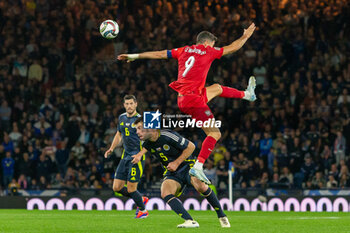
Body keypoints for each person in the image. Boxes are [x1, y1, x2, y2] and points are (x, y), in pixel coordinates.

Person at [118, 23, 257, 185]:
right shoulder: (208, 50)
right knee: (215, 134)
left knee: (216, 88)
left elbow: (160, 54)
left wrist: (133, 56)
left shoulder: (183, 50)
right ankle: (198, 165)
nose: (213, 47)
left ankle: (248, 94)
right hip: (194, 100)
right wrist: (246, 36)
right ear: (206, 43)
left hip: (184, 99)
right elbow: (233, 47)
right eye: (213, 44)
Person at [131, 117, 230, 228]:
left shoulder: (167, 135)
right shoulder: (147, 144)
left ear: (150, 128)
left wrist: (176, 163)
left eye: (139, 128)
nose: (137, 132)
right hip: (173, 173)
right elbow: (148, 147)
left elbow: (191, 146)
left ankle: (222, 216)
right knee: (165, 192)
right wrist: (139, 155)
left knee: (200, 186)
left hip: (187, 165)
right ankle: (190, 221)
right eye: (136, 129)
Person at [104, 95, 149, 219]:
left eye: (131, 103)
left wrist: (140, 155)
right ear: (124, 105)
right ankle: (140, 199)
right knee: (116, 187)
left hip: (136, 157)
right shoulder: (121, 117)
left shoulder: (141, 120)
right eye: (127, 104)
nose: (129, 106)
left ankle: (143, 211)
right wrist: (111, 148)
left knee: (131, 189)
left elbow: (150, 141)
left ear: (135, 104)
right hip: (125, 156)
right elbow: (119, 134)